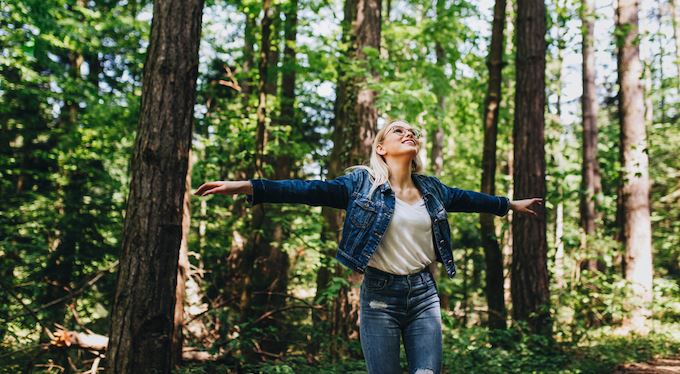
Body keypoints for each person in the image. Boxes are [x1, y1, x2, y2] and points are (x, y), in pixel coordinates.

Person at [193, 119, 542, 374]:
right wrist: (248, 186)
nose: (408, 134)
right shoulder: (361, 184)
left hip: (423, 294)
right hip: (379, 297)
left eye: (412, 132)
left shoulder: (432, 189)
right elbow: (308, 190)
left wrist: (509, 205)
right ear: (380, 147)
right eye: (397, 131)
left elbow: (468, 199)